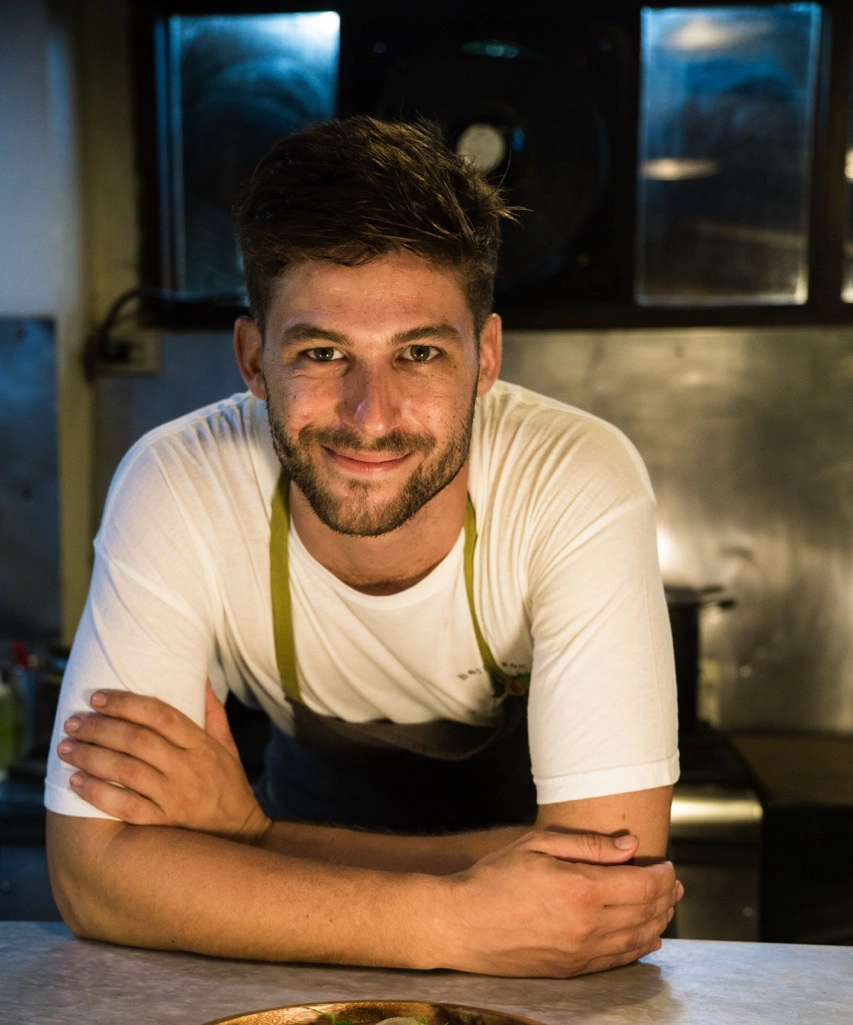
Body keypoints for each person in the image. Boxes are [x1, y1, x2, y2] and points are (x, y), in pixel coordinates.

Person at [45, 117, 682, 977]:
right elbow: (93, 877)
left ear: (485, 358)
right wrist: (454, 922)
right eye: (320, 352)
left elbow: (606, 886)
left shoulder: (575, 477)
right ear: (254, 359)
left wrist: (252, 843)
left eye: (418, 353)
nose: (369, 416)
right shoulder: (177, 481)